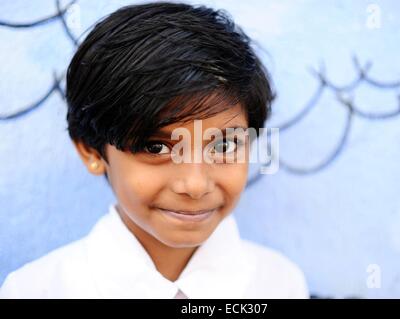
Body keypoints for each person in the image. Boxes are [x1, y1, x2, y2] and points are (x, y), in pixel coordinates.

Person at [0, 1, 308, 298]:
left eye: (224, 145)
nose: (195, 185)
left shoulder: (280, 284)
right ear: (92, 152)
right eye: (156, 146)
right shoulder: (34, 290)